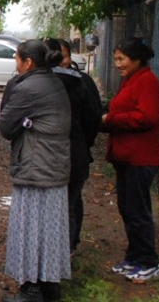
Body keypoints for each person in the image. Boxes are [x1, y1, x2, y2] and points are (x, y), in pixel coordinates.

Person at [0, 39, 71, 302]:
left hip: (35, 167)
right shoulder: (54, 81)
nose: (15, 65)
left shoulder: (28, 87)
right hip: (53, 166)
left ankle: (30, 290)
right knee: (49, 231)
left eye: (17, 59)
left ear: (28, 62)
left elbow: (5, 127)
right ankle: (50, 287)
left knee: (30, 229)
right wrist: (27, 123)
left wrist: (25, 124)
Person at [103, 38, 159, 283]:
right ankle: (134, 257)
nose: (117, 64)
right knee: (127, 209)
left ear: (137, 59)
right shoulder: (132, 80)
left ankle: (149, 262)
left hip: (141, 157)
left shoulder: (148, 82)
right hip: (127, 157)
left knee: (138, 212)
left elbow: (147, 117)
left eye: (121, 59)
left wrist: (112, 119)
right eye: (115, 59)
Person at [48, 38, 102, 253]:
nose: (60, 61)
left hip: (73, 153)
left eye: (63, 56)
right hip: (67, 153)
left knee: (70, 202)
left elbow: (93, 118)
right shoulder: (45, 82)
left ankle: (68, 248)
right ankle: (59, 251)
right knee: (64, 203)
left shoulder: (83, 82)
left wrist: (83, 143)